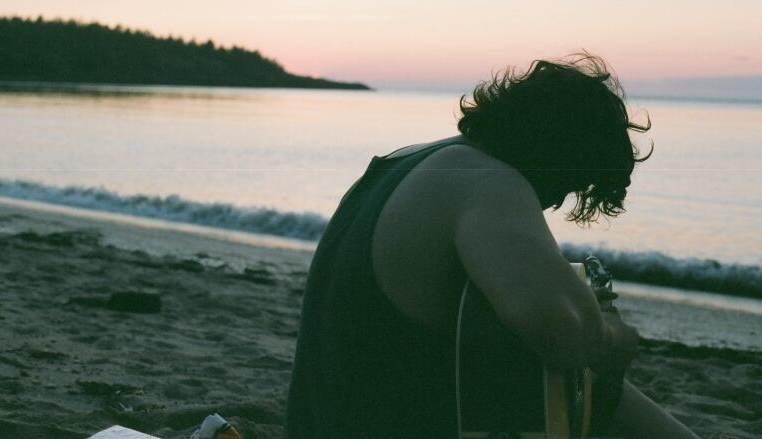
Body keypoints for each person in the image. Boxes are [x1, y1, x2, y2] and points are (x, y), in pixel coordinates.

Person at [285, 53, 699, 438]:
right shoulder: (486, 180)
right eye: (571, 184)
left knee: (585, 393)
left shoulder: (408, 162)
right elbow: (564, 332)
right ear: (559, 151)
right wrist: (612, 337)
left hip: (323, 420)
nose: (553, 202)